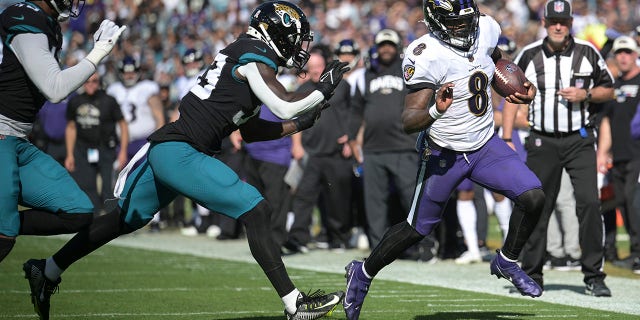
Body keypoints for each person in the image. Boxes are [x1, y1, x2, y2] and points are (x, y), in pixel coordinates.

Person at [23, 1, 347, 319]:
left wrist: (298, 126)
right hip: (181, 151)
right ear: (276, 33)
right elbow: (285, 104)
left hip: (170, 149)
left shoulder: (247, 56)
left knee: (121, 220)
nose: (298, 47)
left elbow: (250, 130)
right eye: (295, 38)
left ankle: (48, 269)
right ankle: (294, 304)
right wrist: (322, 88)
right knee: (256, 208)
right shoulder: (253, 54)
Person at [343, 1, 545, 318]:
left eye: (468, 21)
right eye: (456, 23)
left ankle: (506, 260)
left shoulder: (487, 28)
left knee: (533, 197)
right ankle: (363, 273)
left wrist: (510, 85)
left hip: (485, 144)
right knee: (416, 229)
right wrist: (437, 109)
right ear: (436, 22)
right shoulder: (426, 53)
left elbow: (493, 61)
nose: (465, 29)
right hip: (445, 152)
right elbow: (409, 119)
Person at [0, 0, 125, 318]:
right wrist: (97, 55)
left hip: (18, 139)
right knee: (3, 237)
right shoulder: (23, 18)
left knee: (78, 212)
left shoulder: (45, 22)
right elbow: (54, 88)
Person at [502, 0, 614, 297]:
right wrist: (508, 136)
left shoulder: (588, 53)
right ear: (544, 22)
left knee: (589, 203)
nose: (558, 26)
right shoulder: (529, 54)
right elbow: (512, 95)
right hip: (542, 140)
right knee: (538, 205)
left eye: (563, 21)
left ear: (570, 22)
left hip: (579, 139)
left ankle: (593, 275)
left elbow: (609, 88)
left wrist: (586, 93)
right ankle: (532, 273)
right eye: (553, 20)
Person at [347, 28, 420, 250]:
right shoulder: (365, 75)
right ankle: (378, 248)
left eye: (390, 45)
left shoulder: (409, 72)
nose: (386, 49)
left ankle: (420, 245)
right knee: (375, 202)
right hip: (373, 149)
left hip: (404, 146)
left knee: (411, 199)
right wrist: (352, 140)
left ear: (397, 47)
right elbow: (356, 112)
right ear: (377, 49)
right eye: (382, 45)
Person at [286, 49, 354, 252]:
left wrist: (350, 138)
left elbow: (355, 112)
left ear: (325, 66)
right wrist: (296, 145)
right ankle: (298, 239)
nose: (315, 71)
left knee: (337, 199)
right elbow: (295, 118)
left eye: (318, 66)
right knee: (304, 197)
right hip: (311, 152)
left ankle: (338, 238)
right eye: (312, 67)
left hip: (336, 151)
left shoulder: (343, 86)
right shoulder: (304, 88)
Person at [597, 35, 640, 274]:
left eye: (628, 52)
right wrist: (603, 153)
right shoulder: (614, 88)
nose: (623, 57)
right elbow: (607, 122)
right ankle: (635, 252)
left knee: (636, 204)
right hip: (621, 156)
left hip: (638, 155)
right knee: (624, 203)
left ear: (635, 55)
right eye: (619, 53)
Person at [65, 72, 129, 215]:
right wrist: (70, 154)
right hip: (83, 149)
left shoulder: (109, 100)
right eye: (87, 81)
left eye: (94, 81)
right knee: (87, 186)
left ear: (99, 82)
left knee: (109, 187)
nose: (91, 84)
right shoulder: (75, 101)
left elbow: (123, 125)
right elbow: (71, 127)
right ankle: (92, 218)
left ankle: (112, 219)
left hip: (106, 148)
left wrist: (123, 151)